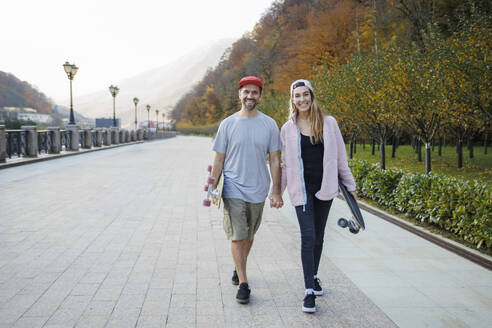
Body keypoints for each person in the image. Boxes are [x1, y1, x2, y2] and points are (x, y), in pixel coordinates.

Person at [279, 79, 356, 313]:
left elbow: (340, 157)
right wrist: (276, 192)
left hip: (325, 188)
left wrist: (350, 186)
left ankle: (313, 276)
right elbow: (284, 164)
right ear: (292, 100)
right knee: (308, 236)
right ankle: (308, 292)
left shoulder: (329, 123)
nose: (302, 99)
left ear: (312, 96)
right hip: (301, 190)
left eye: (305, 94)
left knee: (320, 236)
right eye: (297, 96)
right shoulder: (287, 129)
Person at [210, 76, 283, 304]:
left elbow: (274, 160)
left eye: (254, 92)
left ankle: (237, 266)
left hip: (258, 189)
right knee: (238, 234)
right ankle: (243, 282)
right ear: (239, 94)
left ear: (260, 96)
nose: (250, 96)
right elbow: (218, 159)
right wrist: (212, 188)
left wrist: (276, 190)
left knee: (249, 235)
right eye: (246, 92)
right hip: (233, 187)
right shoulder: (228, 124)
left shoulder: (269, 124)